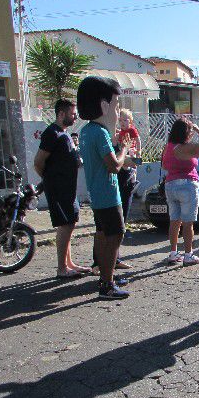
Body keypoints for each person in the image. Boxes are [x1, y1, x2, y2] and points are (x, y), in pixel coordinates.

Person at [76, 76, 130, 299]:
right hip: (108, 195)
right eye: (116, 106)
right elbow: (114, 166)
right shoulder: (100, 133)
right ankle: (106, 284)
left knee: (103, 234)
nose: (117, 112)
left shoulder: (86, 131)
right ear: (104, 105)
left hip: (97, 194)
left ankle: (106, 275)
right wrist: (124, 149)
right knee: (115, 235)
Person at [33, 99, 90, 278]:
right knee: (65, 224)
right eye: (73, 114)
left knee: (70, 223)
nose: (75, 117)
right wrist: (50, 180)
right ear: (62, 114)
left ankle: (69, 263)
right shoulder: (52, 133)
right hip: (59, 188)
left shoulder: (64, 134)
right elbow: (38, 162)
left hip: (68, 187)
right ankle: (61, 268)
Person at [162, 117, 199, 265]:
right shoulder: (188, 148)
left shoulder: (168, 147)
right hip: (187, 184)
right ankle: (188, 255)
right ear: (186, 132)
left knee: (174, 221)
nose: (191, 134)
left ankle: (173, 253)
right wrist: (197, 129)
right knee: (188, 222)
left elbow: (165, 166)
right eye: (190, 131)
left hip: (170, 185)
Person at [114, 109, 141, 268]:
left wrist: (137, 152)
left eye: (125, 121)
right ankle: (113, 258)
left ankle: (115, 258)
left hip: (128, 167)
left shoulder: (130, 131)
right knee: (120, 218)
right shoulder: (118, 134)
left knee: (122, 218)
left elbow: (137, 146)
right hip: (123, 173)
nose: (123, 123)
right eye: (121, 120)